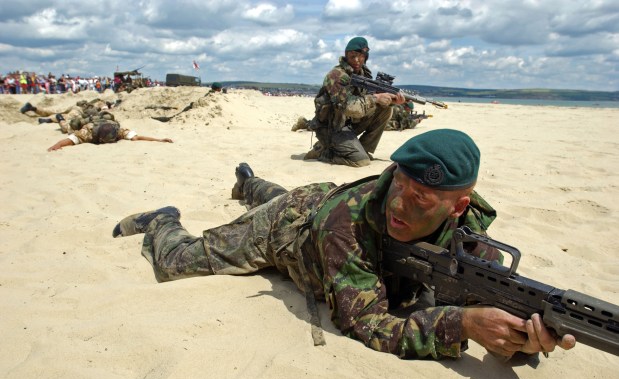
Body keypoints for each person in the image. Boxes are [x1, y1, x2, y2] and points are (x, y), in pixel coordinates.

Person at [112, 129, 575, 360]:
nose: (399, 205)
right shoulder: (346, 225)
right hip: (288, 233)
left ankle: (250, 183)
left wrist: (522, 339)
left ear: (457, 209)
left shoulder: (472, 243)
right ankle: (163, 219)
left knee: (280, 196)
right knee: (178, 261)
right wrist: (464, 326)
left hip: (316, 206)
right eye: (398, 183)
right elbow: (367, 323)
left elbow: (492, 304)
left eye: (421, 200)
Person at [304, 37, 405, 167]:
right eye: (353, 56)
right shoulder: (336, 75)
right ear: (346, 56)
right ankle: (323, 152)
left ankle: (362, 149)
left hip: (350, 124)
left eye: (361, 56)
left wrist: (391, 101)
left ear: (365, 56)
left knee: (386, 109)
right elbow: (348, 107)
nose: (357, 60)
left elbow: (367, 101)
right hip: (332, 128)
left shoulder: (364, 74)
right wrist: (376, 98)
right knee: (361, 161)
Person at [47, 120, 173, 151]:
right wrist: (57, 145)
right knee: (68, 127)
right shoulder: (88, 132)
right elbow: (70, 139)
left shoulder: (118, 131)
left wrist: (159, 140)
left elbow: (137, 137)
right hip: (88, 124)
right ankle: (59, 118)